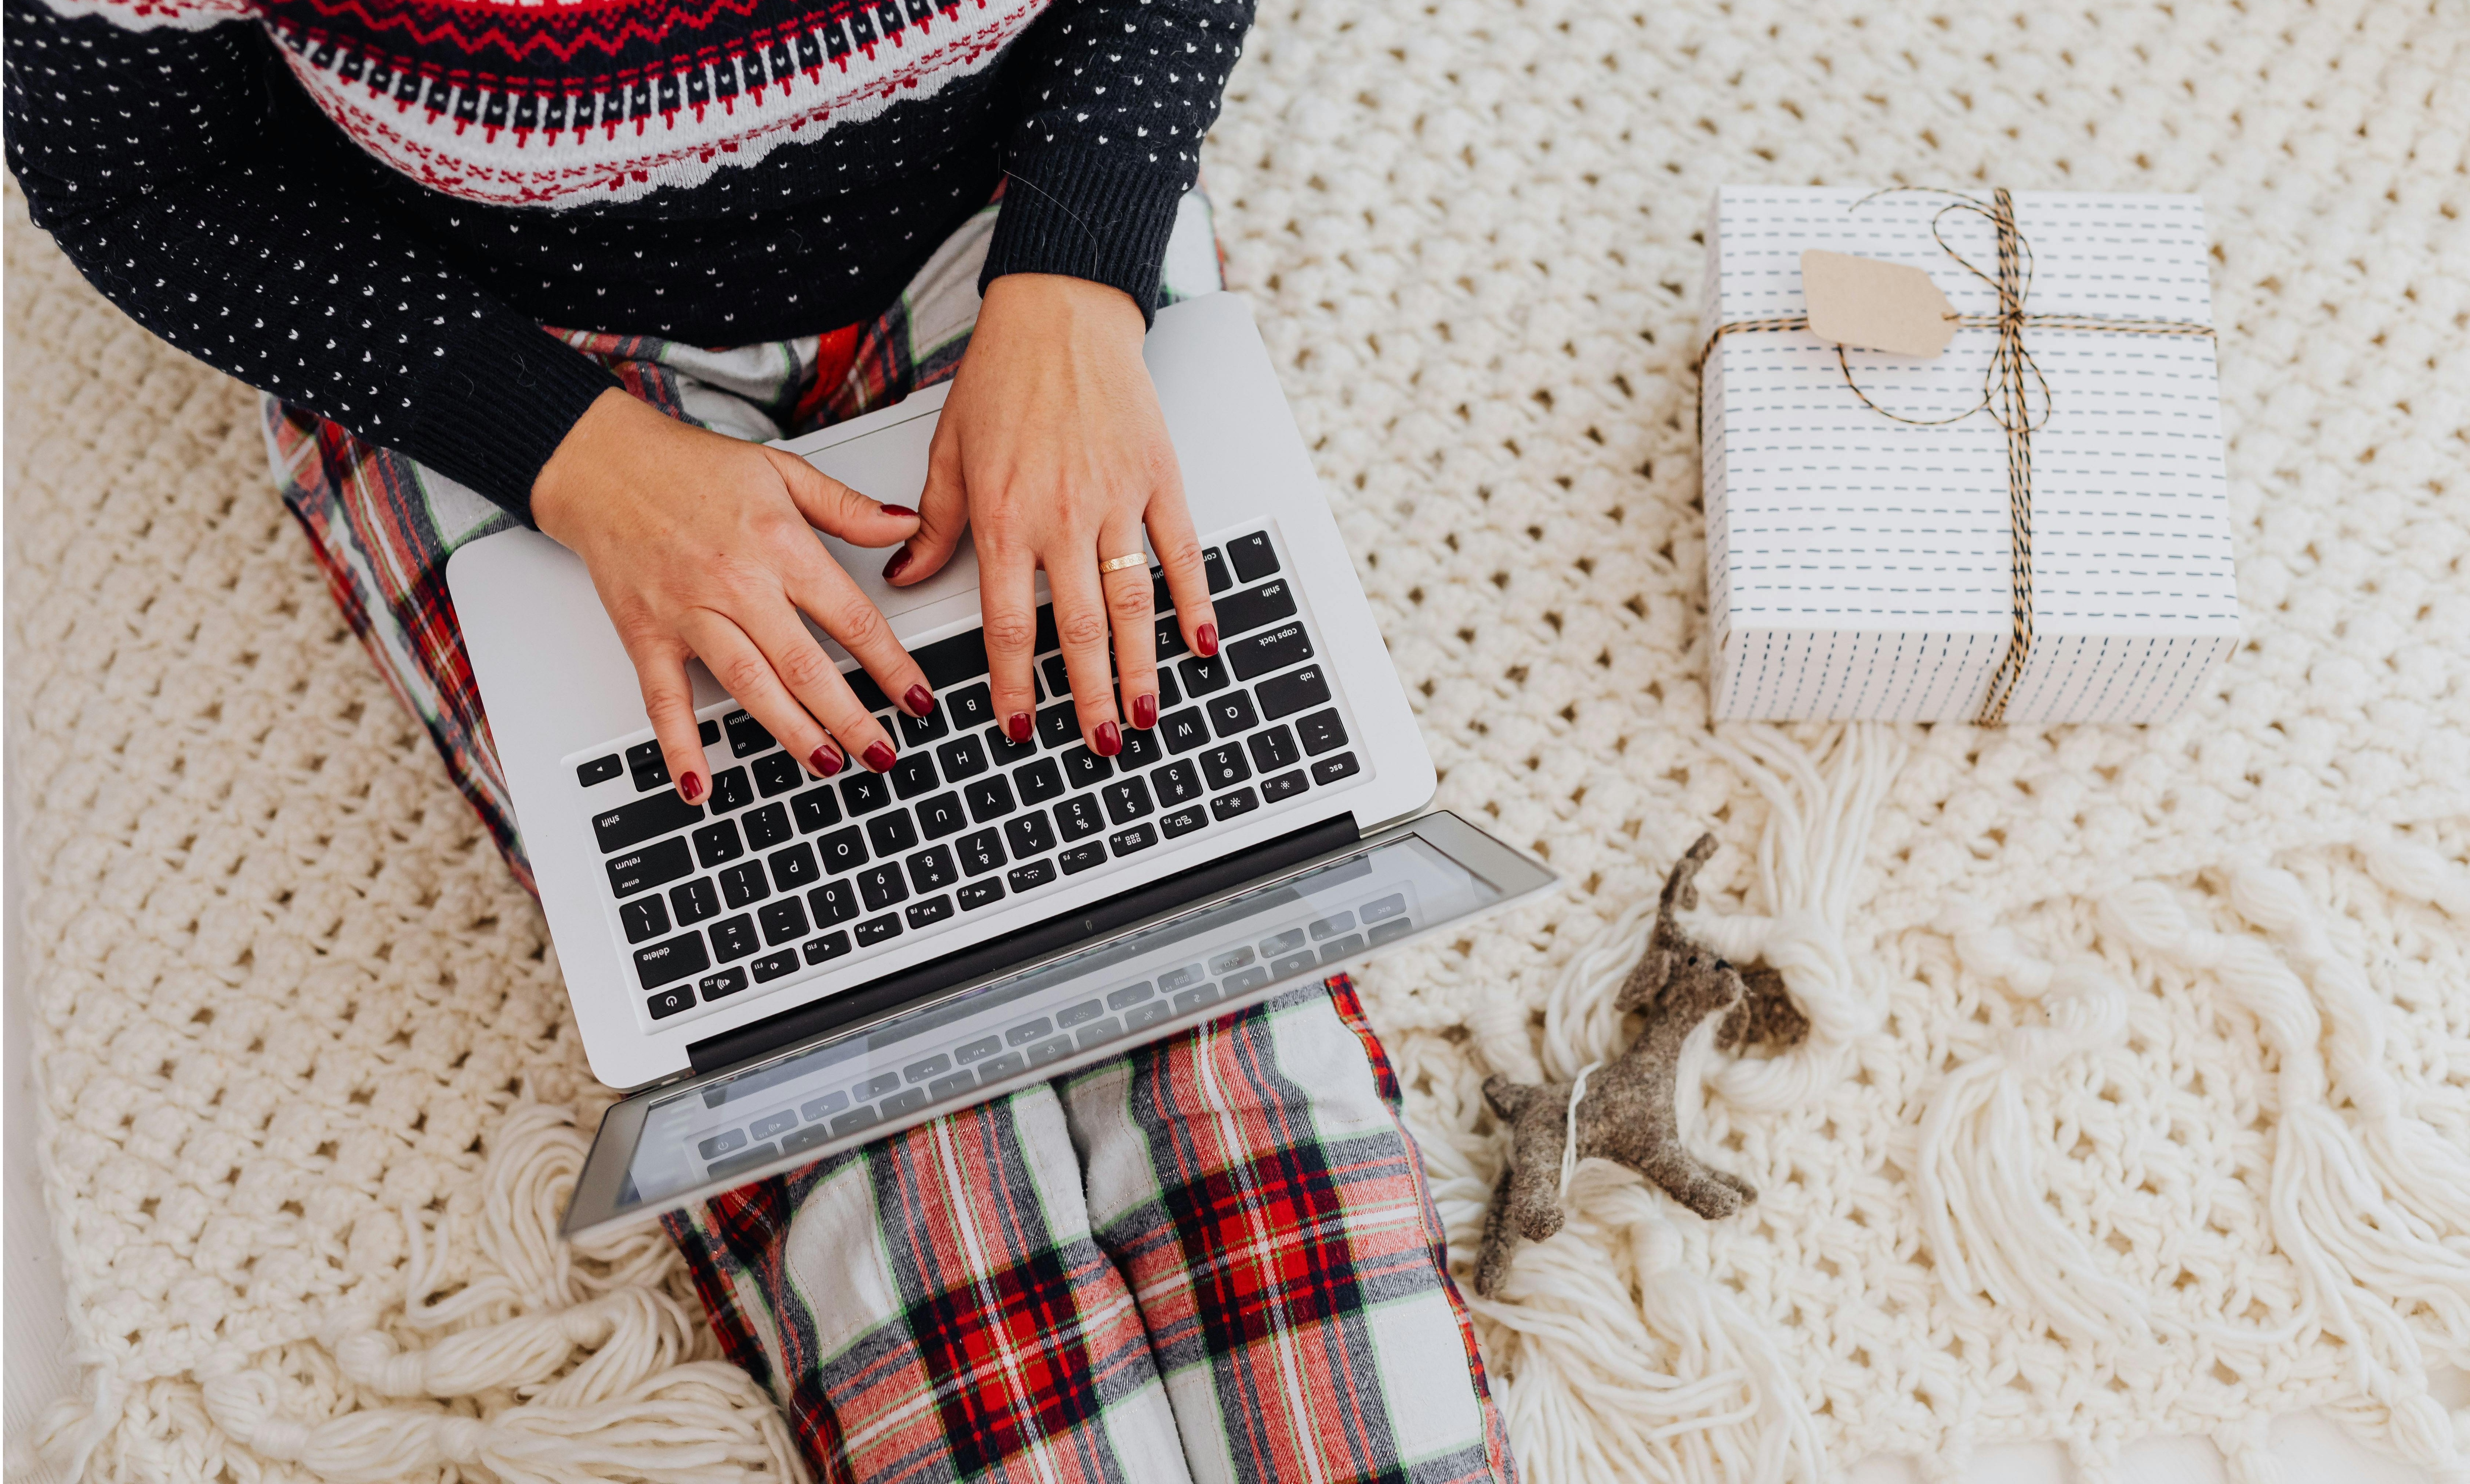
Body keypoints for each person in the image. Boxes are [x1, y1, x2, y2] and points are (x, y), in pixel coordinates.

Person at [6, 0, 1520, 1476]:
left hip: (1012, 210)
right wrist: (569, 456)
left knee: (1204, 973)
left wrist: (1079, 265)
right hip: (497, 330)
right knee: (840, 1083)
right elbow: (137, 171)